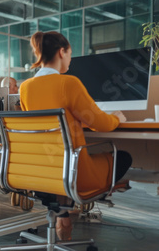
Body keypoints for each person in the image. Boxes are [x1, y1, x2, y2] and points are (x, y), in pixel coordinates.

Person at [20, 31, 133, 240]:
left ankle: (62, 212)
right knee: (124, 157)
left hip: (41, 170)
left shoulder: (25, 88)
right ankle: (66, 209)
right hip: (74, 173)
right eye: (70, 54)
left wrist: (75, 120)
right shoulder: (68, 83)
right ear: (61, 52)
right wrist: (117, 118)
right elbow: (101, 123)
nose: (70, 59)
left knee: (62, 159)